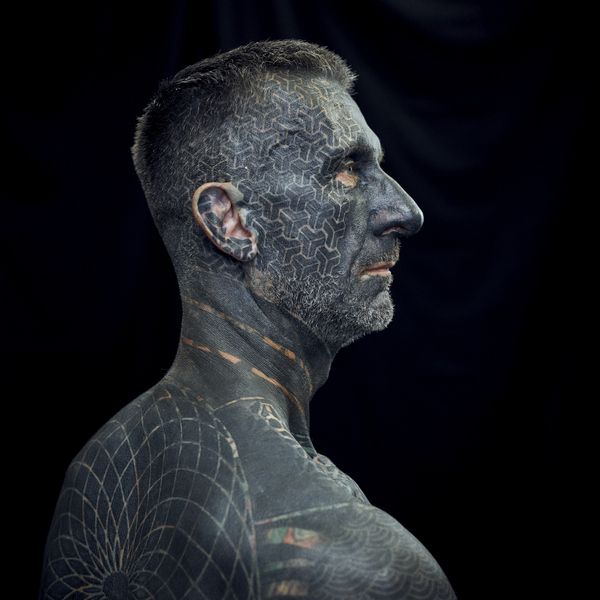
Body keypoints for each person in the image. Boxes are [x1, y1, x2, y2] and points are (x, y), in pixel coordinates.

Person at [40, 40, 455, 600]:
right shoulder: (360, 565)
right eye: (346, 171)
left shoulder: (96, 471)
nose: (406, 211)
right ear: (230, 222)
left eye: (378, 168)